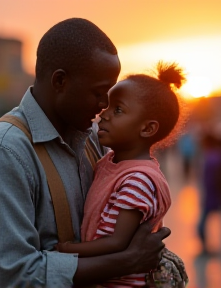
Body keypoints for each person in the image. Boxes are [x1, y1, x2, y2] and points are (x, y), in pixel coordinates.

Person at [0, 18, 184, 288]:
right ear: (60, 81)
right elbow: (14, 275)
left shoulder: (90, 141)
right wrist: (127, 261)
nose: (104, 105)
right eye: (98, 93)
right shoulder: (5, 150)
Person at [55, 61, 188, 287]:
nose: (104, 115)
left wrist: (66, 250)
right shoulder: (110, 161)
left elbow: (116, 241)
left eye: (118, 110)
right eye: (107, 106)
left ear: (147, 129)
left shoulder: (138, 179)